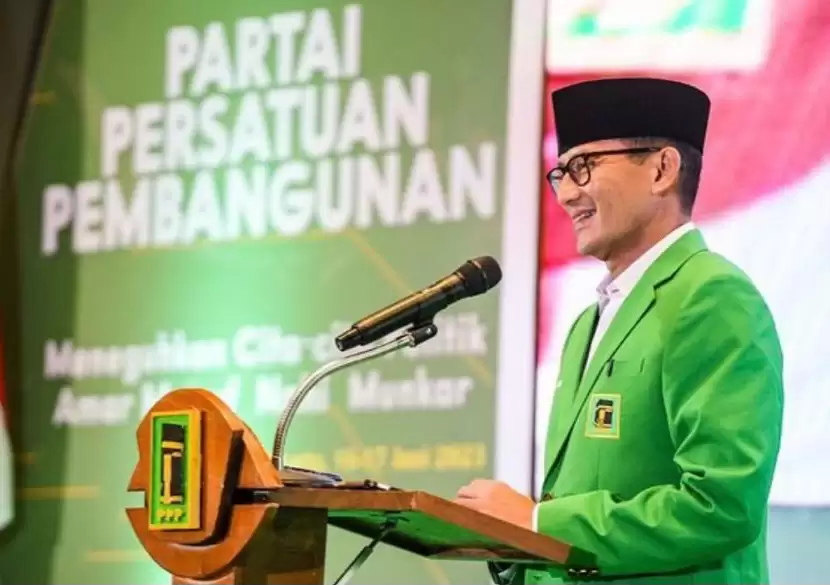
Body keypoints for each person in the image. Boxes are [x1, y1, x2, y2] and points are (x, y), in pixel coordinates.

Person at [454, 77, 785, 584]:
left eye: (583, 167)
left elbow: (721, 505)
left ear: (661, 169)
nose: (567, 194)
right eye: (560, 173)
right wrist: (510, 538)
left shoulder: (711, 296)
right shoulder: (588, 322)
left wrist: (538, 522)